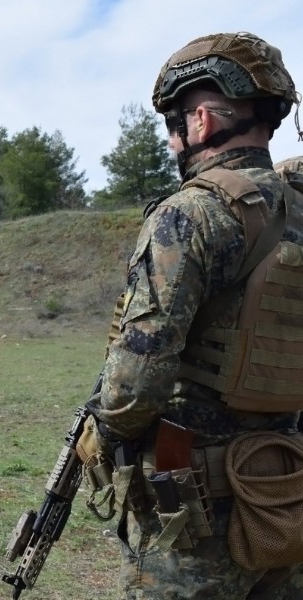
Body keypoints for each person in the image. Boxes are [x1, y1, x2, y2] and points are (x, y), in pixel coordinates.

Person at [77, 32, 303, 599]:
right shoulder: (296, 209)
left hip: (193, 512)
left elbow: (135, 385)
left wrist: (99, 434)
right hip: (286, 489)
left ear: (200, 121)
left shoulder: (190, 215)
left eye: (173, 126)